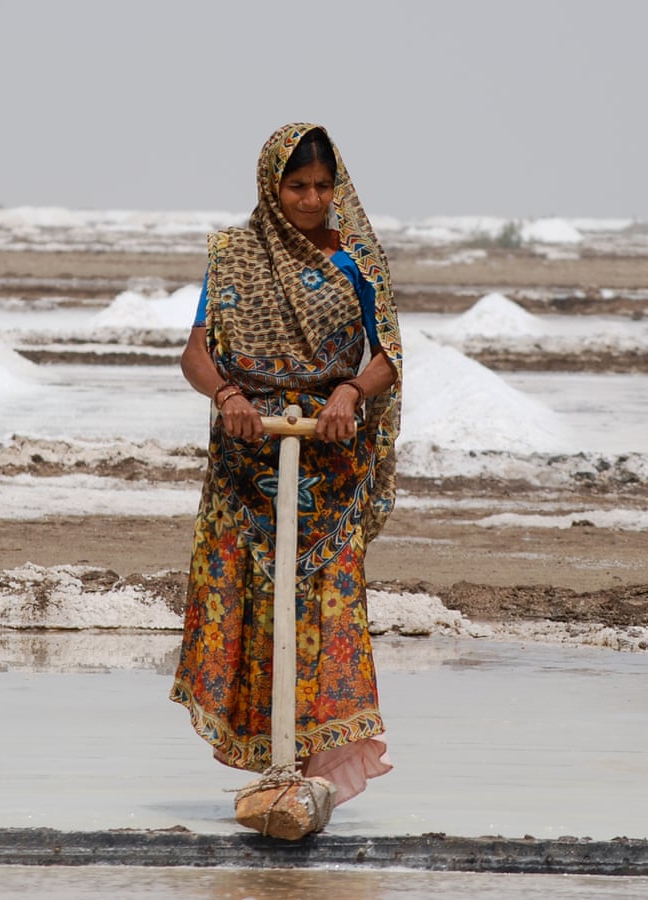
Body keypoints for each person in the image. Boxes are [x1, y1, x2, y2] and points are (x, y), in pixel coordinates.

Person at [170, 123, 403, 807]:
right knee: (250, 605)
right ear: (272, 187)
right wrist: (227, 393)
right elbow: (195, 351)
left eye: (323, 186)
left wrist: (350, 391)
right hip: (247, 464)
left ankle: (313, 768)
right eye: (297, 186)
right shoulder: (235, 254)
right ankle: (274, 767)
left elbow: (388, 353)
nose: (311, 199)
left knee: (325, 611)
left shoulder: (359, 260)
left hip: (327, 466)